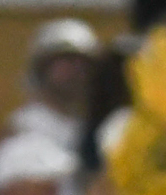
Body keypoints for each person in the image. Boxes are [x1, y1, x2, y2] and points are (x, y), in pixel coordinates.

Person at [10, 19, 101, 155]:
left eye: (85, 63)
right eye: (68, 60)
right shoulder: (24, 127)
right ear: (42, 67)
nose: (78, 69)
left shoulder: (95, 127)